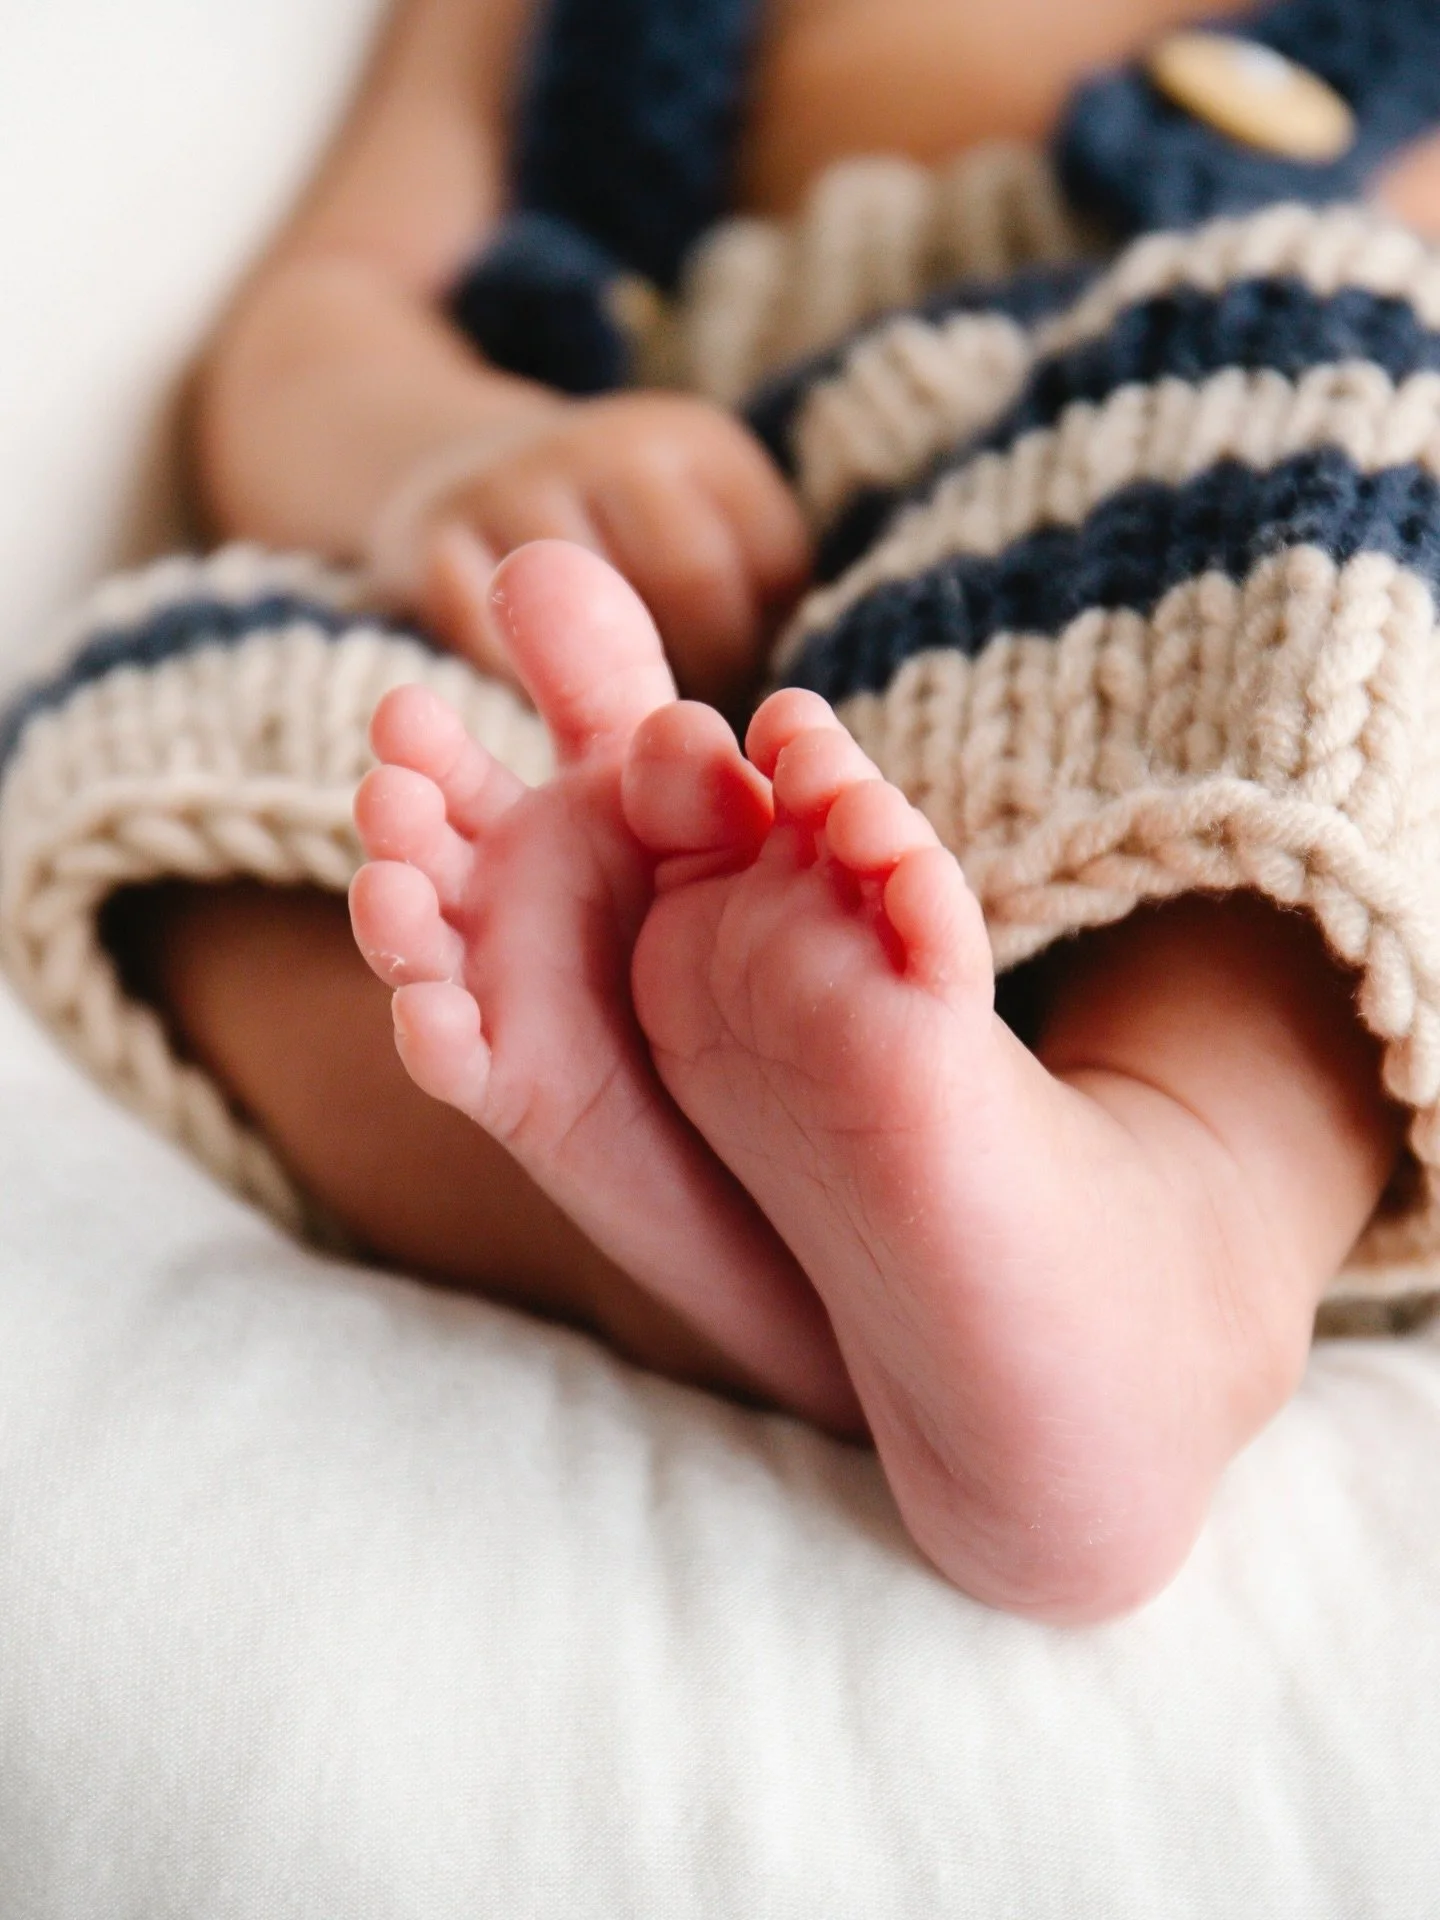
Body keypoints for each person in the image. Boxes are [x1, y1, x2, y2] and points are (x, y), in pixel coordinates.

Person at [8, 0, 1440, 1619]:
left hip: (1199, 580)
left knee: (1345, 508)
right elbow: (322, 326)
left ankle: (1186, 1231)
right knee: (190, 708)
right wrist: (471, 453)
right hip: (651, 693)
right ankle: (767, 1257)